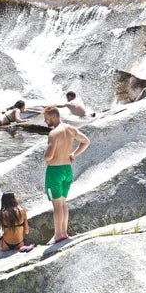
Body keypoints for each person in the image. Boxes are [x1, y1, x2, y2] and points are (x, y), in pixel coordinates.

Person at [42, 104, 89, 243]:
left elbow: (48, 157)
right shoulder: (71, 129)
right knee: (63, 202)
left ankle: (58, 235)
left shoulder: (54, 133)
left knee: (57, 205)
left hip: (54, 171)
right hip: (67, 170)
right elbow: (86, 142)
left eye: (46, 118)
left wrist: (48, 154)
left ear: (54, 116)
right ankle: (64, 233)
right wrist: (73, 154)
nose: (45, 122)